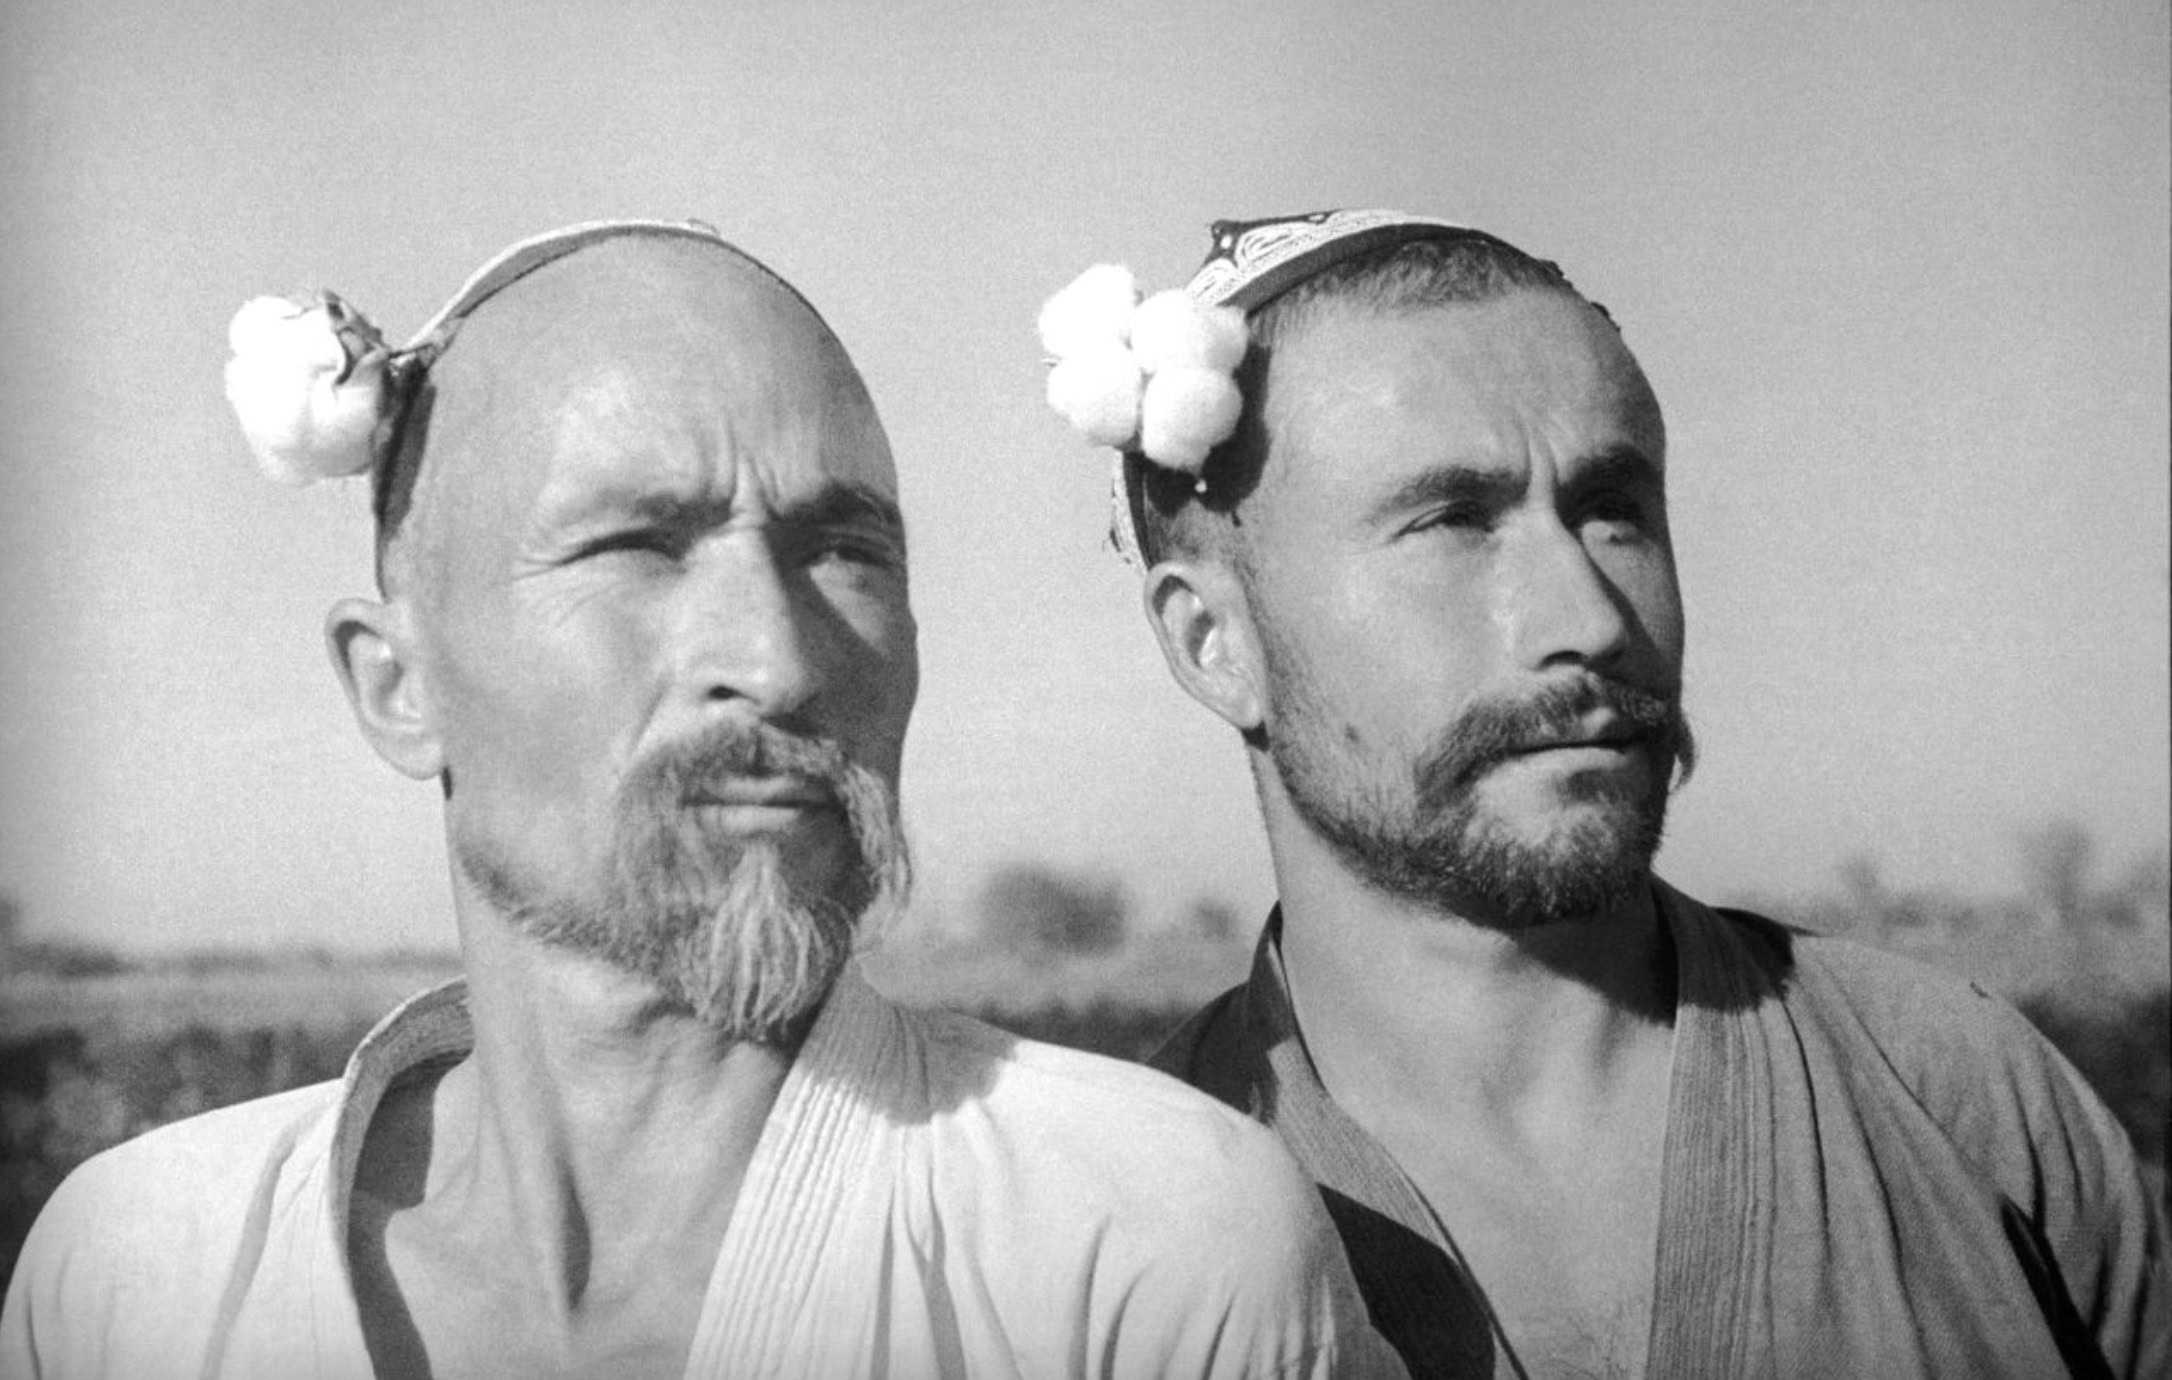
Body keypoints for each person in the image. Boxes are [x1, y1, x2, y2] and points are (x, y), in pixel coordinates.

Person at [1, 220, 1403, 1379]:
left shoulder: (1143, 1253)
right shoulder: (142, 1284)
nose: (778, 662)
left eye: (844, 552)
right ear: (394, 686)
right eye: (636, 545)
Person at [1037, 208, 2169, 1378]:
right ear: (1214, 640)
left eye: (1615, 513)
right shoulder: (1094, 1239)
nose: (1589, 619)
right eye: (1451, 524)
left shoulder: (1967, 1102)